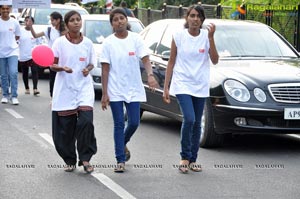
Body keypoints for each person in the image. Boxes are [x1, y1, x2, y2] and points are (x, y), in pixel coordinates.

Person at [100, 8, 158, 173]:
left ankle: (122, 142)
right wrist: (105, 94)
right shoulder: (108, 43)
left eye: (122, 18)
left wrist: (151, 75)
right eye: (116, 19)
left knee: (134, 122)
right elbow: (105, 69)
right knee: (119, 123)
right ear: (112, 24)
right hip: (115, 88)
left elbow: (145, 59)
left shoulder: (136, 39)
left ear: (127, 20)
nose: (119, 21)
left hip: (133, 87)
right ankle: (120, 159)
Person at [163, 5, 219, 174]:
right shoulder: (178, 36)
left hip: (200, 85)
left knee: (196, 124)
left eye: (198, 16)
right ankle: (184, 157)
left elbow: (215, 60)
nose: (195, 19)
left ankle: (193, 159)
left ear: (202, 20)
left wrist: (211, 38)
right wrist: (166, 86)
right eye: (192, 16)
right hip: (182, 84)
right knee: (189, 119)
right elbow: (171, 61)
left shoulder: (206, 36)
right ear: (187, 18)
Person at [50, 10, 97, 173]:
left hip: (84, 88)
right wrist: (62, 67)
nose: (76, 22)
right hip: (65, 89)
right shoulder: (59, 43)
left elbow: (92, 63)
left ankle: (85, 158)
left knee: (86, 122)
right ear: (67, 24)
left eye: (78, 20)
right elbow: (52, 64)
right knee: (65, 129)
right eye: (73, 20)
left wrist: (87, 69)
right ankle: (69, 159)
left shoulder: (88, 43)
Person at [30, 11, 66, 99]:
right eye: (51, 20)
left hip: (64, 57)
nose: (51, 22)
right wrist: (30, 27)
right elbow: (35, 35)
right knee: (53, 77)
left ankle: (61, 96)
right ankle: (52, 97)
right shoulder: (49, 30)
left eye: (53, 20)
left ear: (58, 20)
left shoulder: (65, 31)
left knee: (63, 78)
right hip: (52, 58)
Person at [0, 5, 21, 105]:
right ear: (0, 10)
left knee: (13, 73)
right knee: (3, 75)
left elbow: (17, 36)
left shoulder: (14, 22)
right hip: (0, 52)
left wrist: (10, 44)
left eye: (7, 8)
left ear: (10, 10)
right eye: (3, 8)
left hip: (13, 51)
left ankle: (14, 96)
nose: (5, 10)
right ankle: (5, 95)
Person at [18, 16, 41, 95]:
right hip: (23, 55)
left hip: (33, 55)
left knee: (34, 71)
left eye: (30, 21)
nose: (28, 22)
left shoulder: (35, 32)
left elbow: (39, 43)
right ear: (24, 22)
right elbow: (17, 41)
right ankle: (27, 88)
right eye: (27, 21)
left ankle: (35, 88)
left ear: (33, 23)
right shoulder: (20, 31)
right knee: (25, 72)